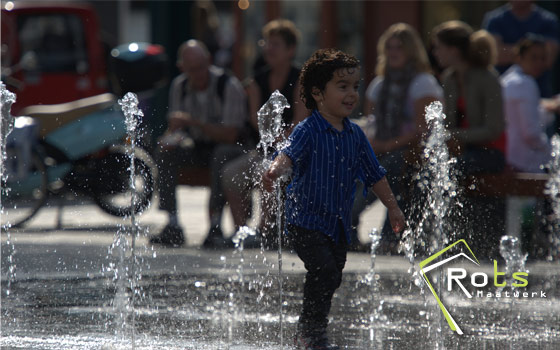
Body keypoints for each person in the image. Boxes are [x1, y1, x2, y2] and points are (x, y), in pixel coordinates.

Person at [262, 48, 405, 350]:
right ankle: (311, 333)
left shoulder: (355, 135)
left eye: (355, 87)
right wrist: (275, 170)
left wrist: (392, 207)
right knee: (324, 271)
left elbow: (375, 174)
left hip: (338, 224)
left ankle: (312, 330)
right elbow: (288, 153)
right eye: (342, 87)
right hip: (305, 221)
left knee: (331, 276)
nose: (352, 94)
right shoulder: (309, 129)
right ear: (317, 93)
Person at [351, 23, 443, 253]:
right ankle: (346, 229)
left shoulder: (423, 83)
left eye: (399, 48)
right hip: (381, 148)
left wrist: (385, 146)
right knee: (353, 169)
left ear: (411, 50)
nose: (393, 52)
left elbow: (424, 132)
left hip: (412, 153)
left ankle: (390, 237)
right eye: (389, 47)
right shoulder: (379, 85)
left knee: (391, 169)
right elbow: (371, 122)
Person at [149, 39, 247, 247]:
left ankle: (215, 223)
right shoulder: (180, 86)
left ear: (209, 61)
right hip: (197, 147)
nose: (197, 74)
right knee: (165, 152)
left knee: (221, 155)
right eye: (191, 69)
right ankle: (173, 224)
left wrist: (195, 123)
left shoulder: (227, 86)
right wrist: (169, 138)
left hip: (230, 149)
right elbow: (178, 130)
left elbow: (230, 135)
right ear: (182, 68)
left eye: (201, 67)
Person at [221, 19, 306, 248]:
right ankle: (242, 232)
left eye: (275, 44)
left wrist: (281, 138)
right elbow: (255, 120)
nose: (268, 48)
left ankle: (264, 231)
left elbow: (300, 121)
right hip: (264, 149)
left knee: (266, 172)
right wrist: (270, 137)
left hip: (292, 150)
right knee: (230, 173)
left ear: (290, 50)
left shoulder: (300, 79)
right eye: (266, 43)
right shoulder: (258, 79)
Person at [431, 21, 506, 258]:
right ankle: (441, 238)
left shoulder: (487, 78)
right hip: (464, 150)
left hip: (491, 152)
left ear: (454, 50)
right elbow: (448, 123)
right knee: (427, 170)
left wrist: (455, 136)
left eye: (438, 47)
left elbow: (494, 129)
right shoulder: (450, 78)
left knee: (453, 170)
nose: (435, 53)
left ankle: (463, 238)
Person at [501, 35, 556, 253]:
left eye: (543, 58)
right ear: (519, 56)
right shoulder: (526, 84)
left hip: (510, 154)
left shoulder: (509, 80)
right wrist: (551, 151)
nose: (539, 63)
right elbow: (531, 133)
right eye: (534, 58)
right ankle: (542, 242)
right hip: (523, 159)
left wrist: (546, 109)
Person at [482, 0, 560, 97]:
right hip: (501, 96)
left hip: (540, 95)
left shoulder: (548, 20)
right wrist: (529, 52)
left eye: (536, 57)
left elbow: (548, 59)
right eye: (532, 57)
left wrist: (509, 50)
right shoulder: (494, 19)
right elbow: (495, 55)